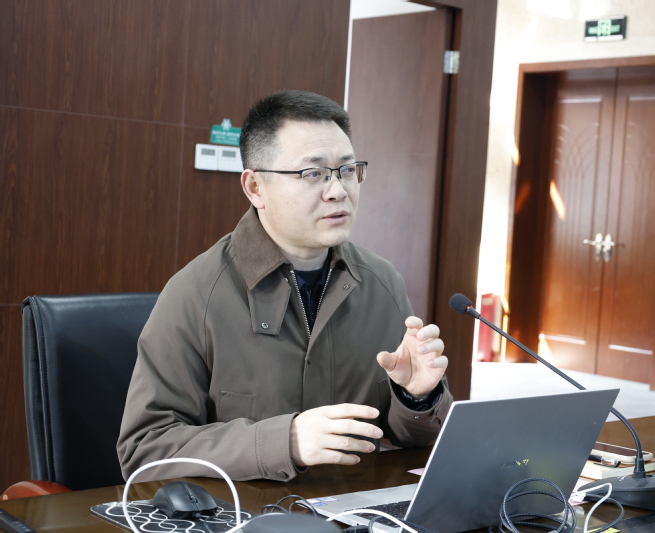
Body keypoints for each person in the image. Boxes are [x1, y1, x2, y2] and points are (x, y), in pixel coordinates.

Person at [117, 90, 453, 482]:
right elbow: (145, 451)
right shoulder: (195, 293)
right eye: (312, 174)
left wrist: (416, 398)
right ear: (255, 187)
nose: (337, 190)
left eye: (347, 170)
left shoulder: (383, 283)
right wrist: (285, 442)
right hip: (244, 511)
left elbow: (412, 438)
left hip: (353, 508)